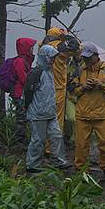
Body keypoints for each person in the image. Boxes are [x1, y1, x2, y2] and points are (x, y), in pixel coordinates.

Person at [69, 42, 105, 175]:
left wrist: (102, 85)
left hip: (101, 113)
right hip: (83, 113)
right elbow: (71, 90)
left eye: (89, 57)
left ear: (96, 56)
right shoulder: (79, 70)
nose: (86, 59)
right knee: (81, 144)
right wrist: (83, 87)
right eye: (84, 57)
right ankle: (80, 168)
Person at [25, 45, 71, 173]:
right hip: (38, 113)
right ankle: (33, 164)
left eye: (53, 58)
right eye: (50, 58)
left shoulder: (49, 72)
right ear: (44, 57)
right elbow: (28, 93)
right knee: (38, 140)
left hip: (50, 112)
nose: (52, 60)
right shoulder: (36, 73)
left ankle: (58, 160)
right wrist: (28, 109)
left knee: (56, 135)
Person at [41, 27, 79, 131]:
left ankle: (45, 145)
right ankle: (53, 146)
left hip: (44, 88)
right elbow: (76, 48)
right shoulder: (58, 46)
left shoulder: (43, 47)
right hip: (57, 87)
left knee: (45, 119)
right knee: (56, 119)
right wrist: (69, 37)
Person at [11, 37, 37, 143]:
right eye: (31, 48)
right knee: (22, 116)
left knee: (23, 115)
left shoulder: (24, 60)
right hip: (20, 93)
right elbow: (23, 78)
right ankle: (20, 139)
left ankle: (22, 137)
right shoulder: (20, 62)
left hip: (21, 92)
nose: (32, 50)